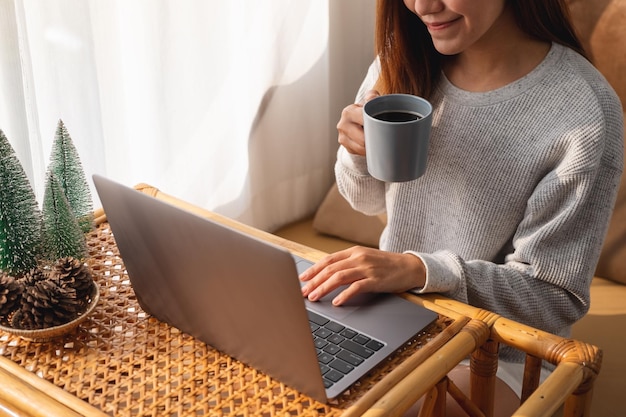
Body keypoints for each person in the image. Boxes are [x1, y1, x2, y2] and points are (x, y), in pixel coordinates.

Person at [300, 0, 624, 414]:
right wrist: (357, 153)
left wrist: (420, 269)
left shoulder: (583, 110)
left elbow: (552, 299)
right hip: (394, 312)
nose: (423, 6)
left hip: (501, 352)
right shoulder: (403, 56)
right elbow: (364, 200)